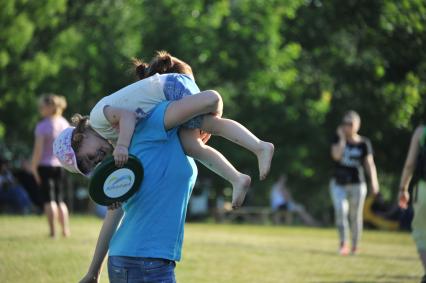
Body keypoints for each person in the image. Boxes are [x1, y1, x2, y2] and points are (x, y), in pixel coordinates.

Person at [53, 84, 225, 282]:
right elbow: (112, 216)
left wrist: (206, 120)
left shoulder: (135, 138)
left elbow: (208, 99)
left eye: (88, 158)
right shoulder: (130, 147)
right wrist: (94, 271)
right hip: (143, 263)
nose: (97, 160)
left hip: (141, 261)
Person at [87, 51, 274, 208]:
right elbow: (121, 157)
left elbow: (126, 126)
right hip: (175, 89)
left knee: (211, 126)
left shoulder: (99, 119)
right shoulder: (113, 123)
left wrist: (122, 146)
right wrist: (116, 192)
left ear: (80, 137)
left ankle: (259, 147)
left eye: (87, 158)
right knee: (192, 146)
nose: (96, 160)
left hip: (174, 90)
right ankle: (237, 178)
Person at [330, 110, 380, 255]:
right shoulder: (337, 139)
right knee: (340, 211)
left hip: (357, 184)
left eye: (350, 124)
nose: (347, 126)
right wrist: (341, 139)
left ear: (357, 125)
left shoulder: (364, 143)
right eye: (344, 123)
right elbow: (336, 156)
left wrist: (374, 183)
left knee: (355, 215)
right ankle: (343, 243)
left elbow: (369, 163)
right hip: (338, 183)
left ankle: (355, 245)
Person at [31, 94, 71, 237]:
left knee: (49, 200)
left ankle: (53, 232)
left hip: (45, 166)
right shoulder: (64, 123)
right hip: (61, 166)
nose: (40, 109)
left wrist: (33, 166)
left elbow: (38, 150)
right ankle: (65, 230)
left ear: (49, 107)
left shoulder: (42, 126)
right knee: (60, 200)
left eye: (42, 106)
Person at [398, 125, 426, 283]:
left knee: (422, 235)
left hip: (423, 189)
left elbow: (410, 164)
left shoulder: (421, 132)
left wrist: (403, 188)